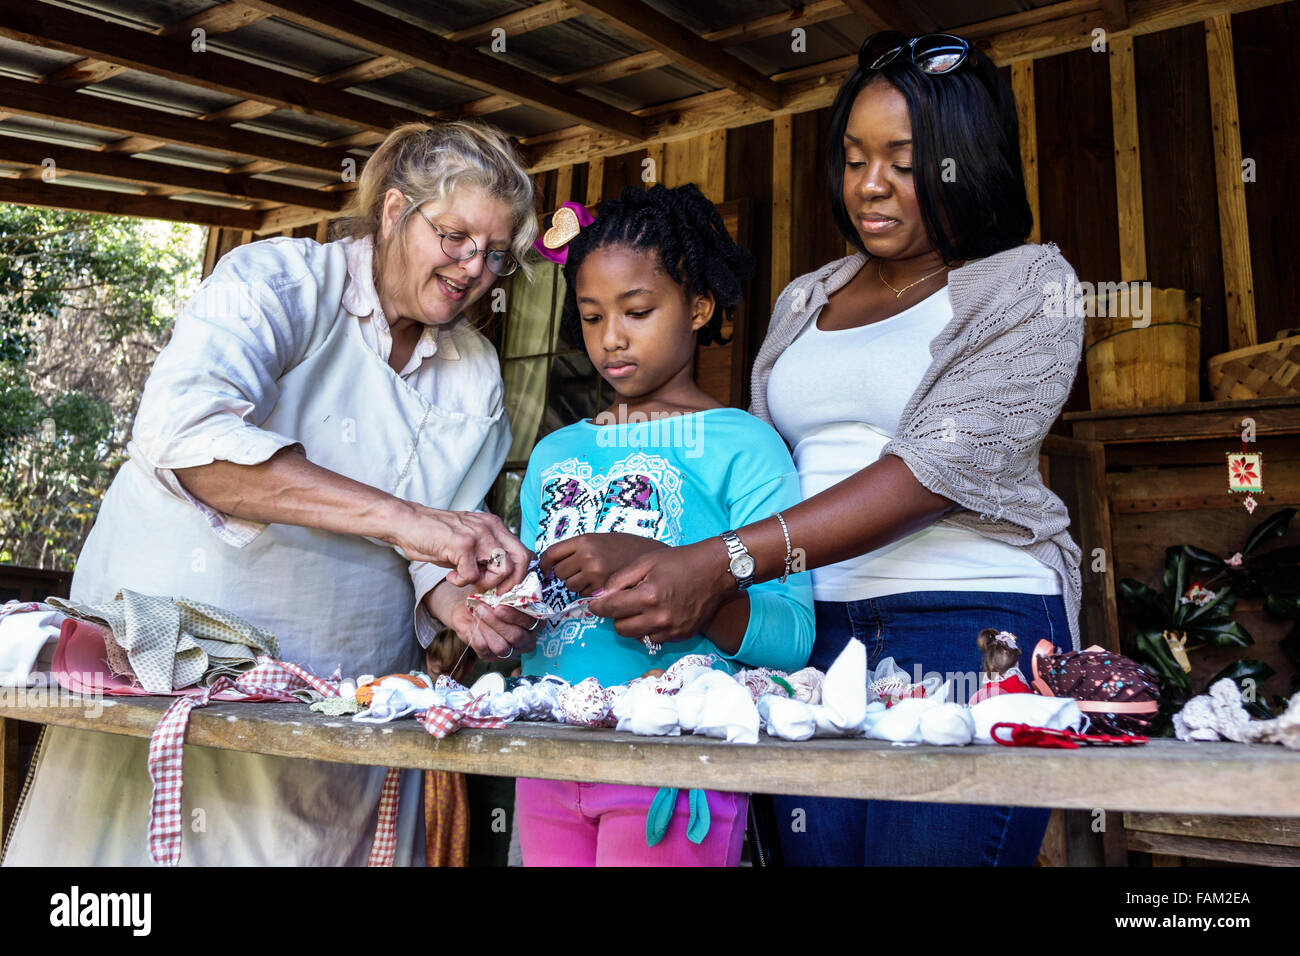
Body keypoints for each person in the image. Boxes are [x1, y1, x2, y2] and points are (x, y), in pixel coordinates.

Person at [586, 32, 1085, 866]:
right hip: (813, 633)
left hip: (968, 628)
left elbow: (932, 472)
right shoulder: (804, 297)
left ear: (967, 160)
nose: (871, 184)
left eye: (903, 158)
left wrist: (721, 564)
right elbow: (760, 464)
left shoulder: (1032, 285)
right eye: (854, 159)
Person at [1, 121, 542, 867]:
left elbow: (427, 553)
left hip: (342, 709)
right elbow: (189, 443)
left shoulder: (472, 369)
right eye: (455, 237)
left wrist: (467, 602)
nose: (473, 268)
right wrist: (412, 521)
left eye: (494, 254)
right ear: (393, 212)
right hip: (178, 679)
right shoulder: (277, 283)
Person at [514, 184, 814, 866]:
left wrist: (680, 581)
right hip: (549, 755)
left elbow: (793, 637)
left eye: (637, 310)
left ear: (700, 307)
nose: (611, 338)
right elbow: (537, 604)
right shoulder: (554, 453)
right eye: (591, 317)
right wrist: (503, 618)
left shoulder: (744, 445)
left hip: (676, 766)